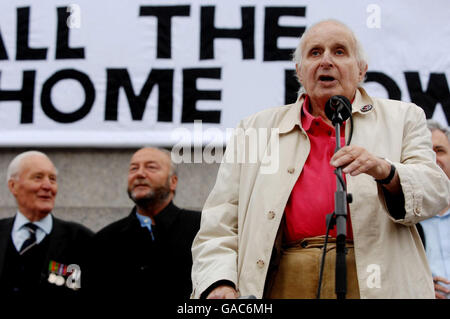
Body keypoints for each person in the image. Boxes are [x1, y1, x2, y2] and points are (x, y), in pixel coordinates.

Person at [191, 19, 450, 299]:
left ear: (361, 70)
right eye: (315, 52)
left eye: (339, 52)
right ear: (299, 71)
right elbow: (220, 221)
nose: (326, 60)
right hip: (284, 279)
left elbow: (437, 192)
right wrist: (219, 281)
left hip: (376, 283)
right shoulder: (254, 130)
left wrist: (387, 172)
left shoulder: (404, 118)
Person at [85, 147, 201, 299]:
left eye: (151, 167)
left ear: (173, 181)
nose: (140, 174)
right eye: (133, 168)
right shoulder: (105, 239)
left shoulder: (200, 228)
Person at [0, 151, 93, 296]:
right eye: (38, 178)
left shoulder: (80, 240)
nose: (47, 186)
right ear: (13, 186)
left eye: (52, 179)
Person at [417, 120, 450, 299]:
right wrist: (419, 286)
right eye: (426, 152)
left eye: (439, 150)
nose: (433, 160)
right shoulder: (397, 219)